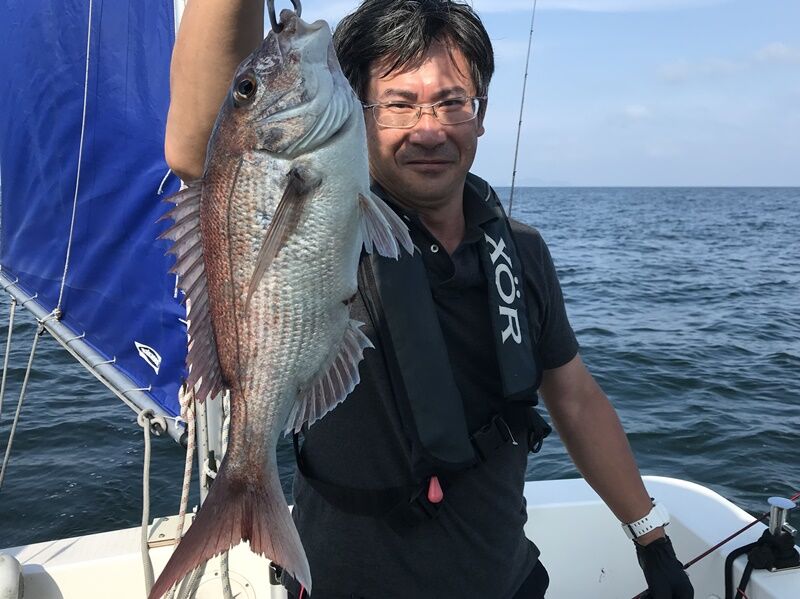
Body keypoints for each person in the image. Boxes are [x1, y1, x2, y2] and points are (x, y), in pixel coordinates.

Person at [165, 1, 695, 597]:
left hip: (510, 581)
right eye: (399, 104)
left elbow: (575, 399)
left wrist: (652, 540)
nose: (429, 129)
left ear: (481, 113)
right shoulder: (340, 233)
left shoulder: (521, 251)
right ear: (357, 107)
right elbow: (200, 146)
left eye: (452, 102)